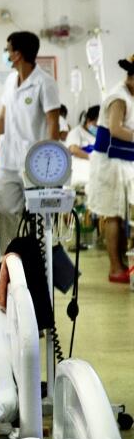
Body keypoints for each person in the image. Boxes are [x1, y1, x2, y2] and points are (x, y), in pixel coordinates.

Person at [0, 31, 61, 251]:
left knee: (38, 220)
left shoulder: (45, 83)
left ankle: (37, 265)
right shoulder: (10, 80)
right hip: (7, 161)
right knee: (5, 212)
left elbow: (53, 122)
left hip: (35, 164)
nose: (6, 53)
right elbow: (2, 118)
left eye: (8, 49)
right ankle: (8, 260)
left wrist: (50, 163)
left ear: (17, 54)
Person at [85, 56, 134, 282]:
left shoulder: (129, 94)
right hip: (109, 163)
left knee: (121, 214)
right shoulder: (119, 97)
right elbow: (115, 129)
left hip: (122, 161)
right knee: (113, 215)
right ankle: (115, 268)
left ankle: (122, 263)